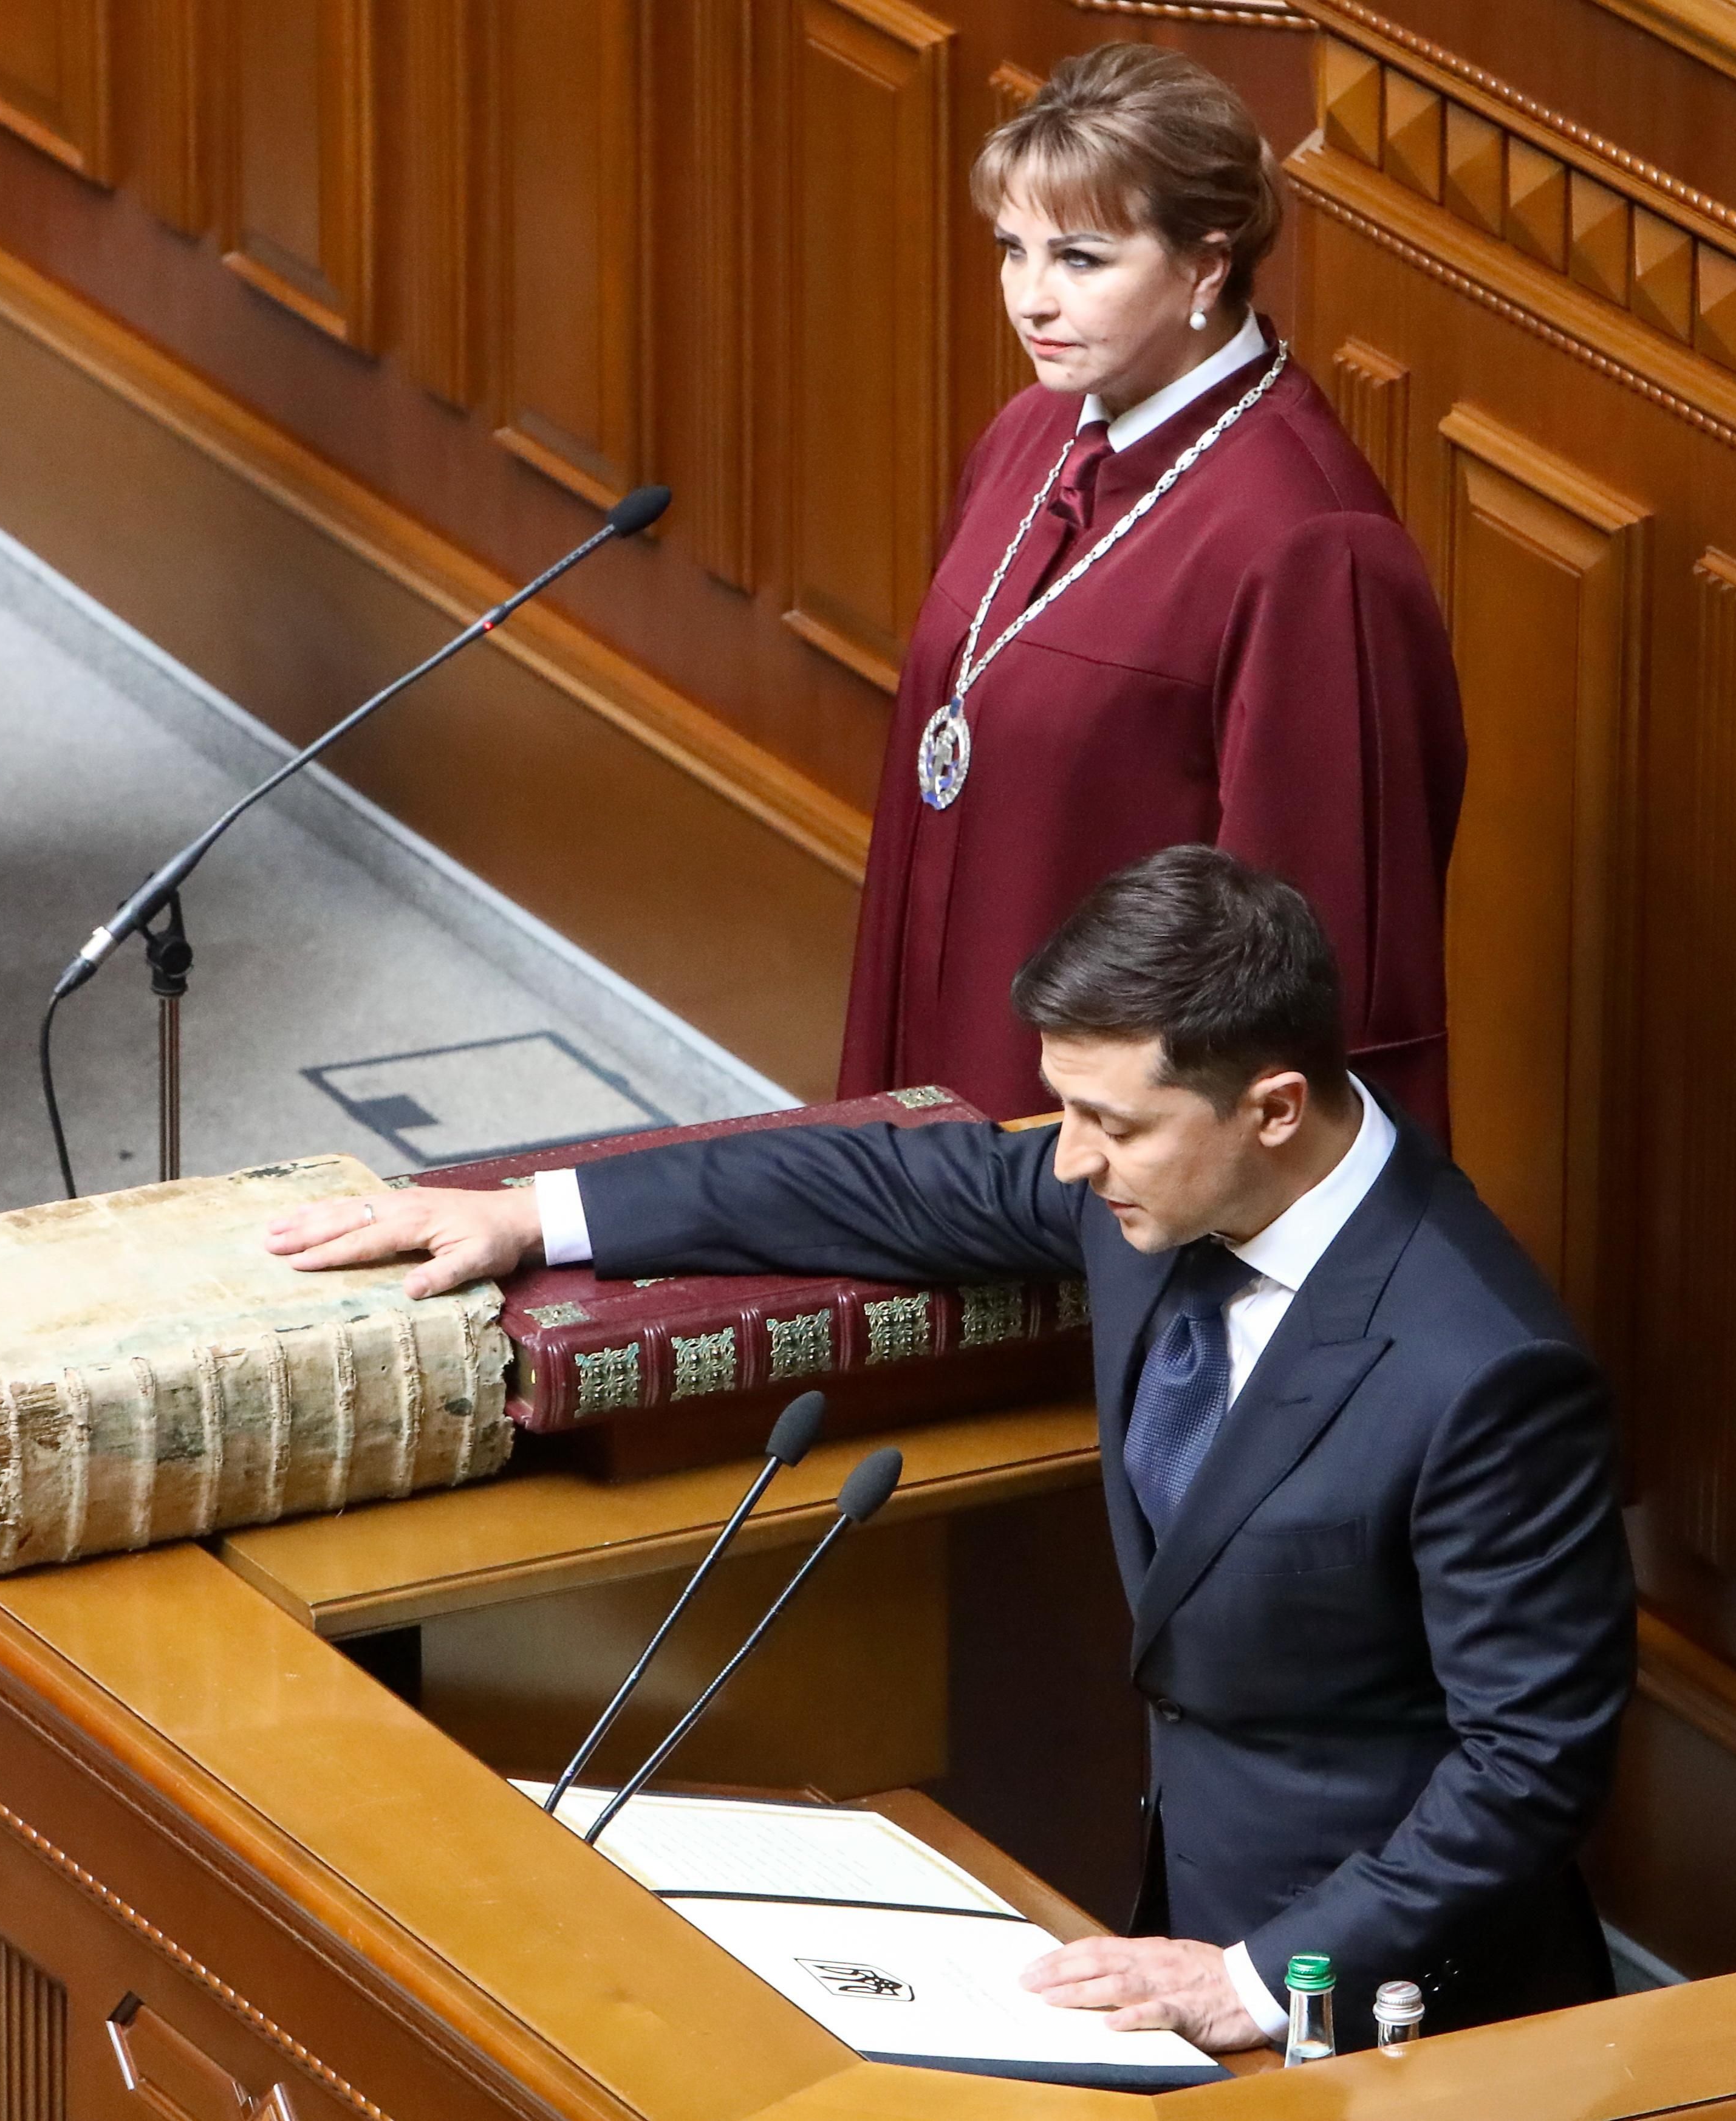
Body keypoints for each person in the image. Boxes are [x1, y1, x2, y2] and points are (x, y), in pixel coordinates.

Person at [268, 846, 1634, 2054]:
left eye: (1111, 1125)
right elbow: (894, 1182)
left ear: (1273, 1108)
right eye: (1066, 1111)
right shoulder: (1162, 1186)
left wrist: (1259, 1978)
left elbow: (1528, 1766)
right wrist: (533, 1215)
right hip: (1176, 1904)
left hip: (1387, 2001)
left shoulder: (1484, 1371)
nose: (1070, 1162)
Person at [839, 44, 1465, 1141]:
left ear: (1205, 267)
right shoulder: (1032, 429)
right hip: (943, 1039)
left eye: (1081, 258)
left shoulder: (1313, 544)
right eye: (1013, 250)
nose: (1031, 299)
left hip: (1114, 1138)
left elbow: (1311, 962)